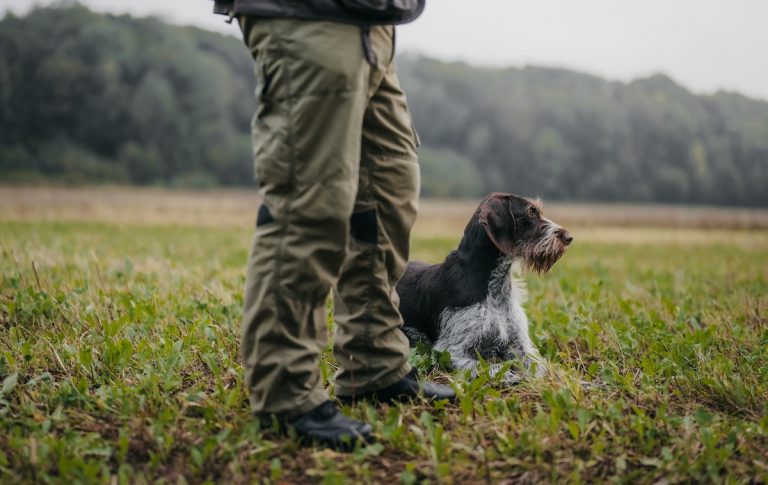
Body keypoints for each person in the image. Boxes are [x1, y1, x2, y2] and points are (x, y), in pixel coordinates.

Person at [213, 0, 455, 450]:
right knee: (311, 205)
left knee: (387, 195)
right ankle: (285, 394)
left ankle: (374, 364)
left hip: (373, 24)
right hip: (308, 19)